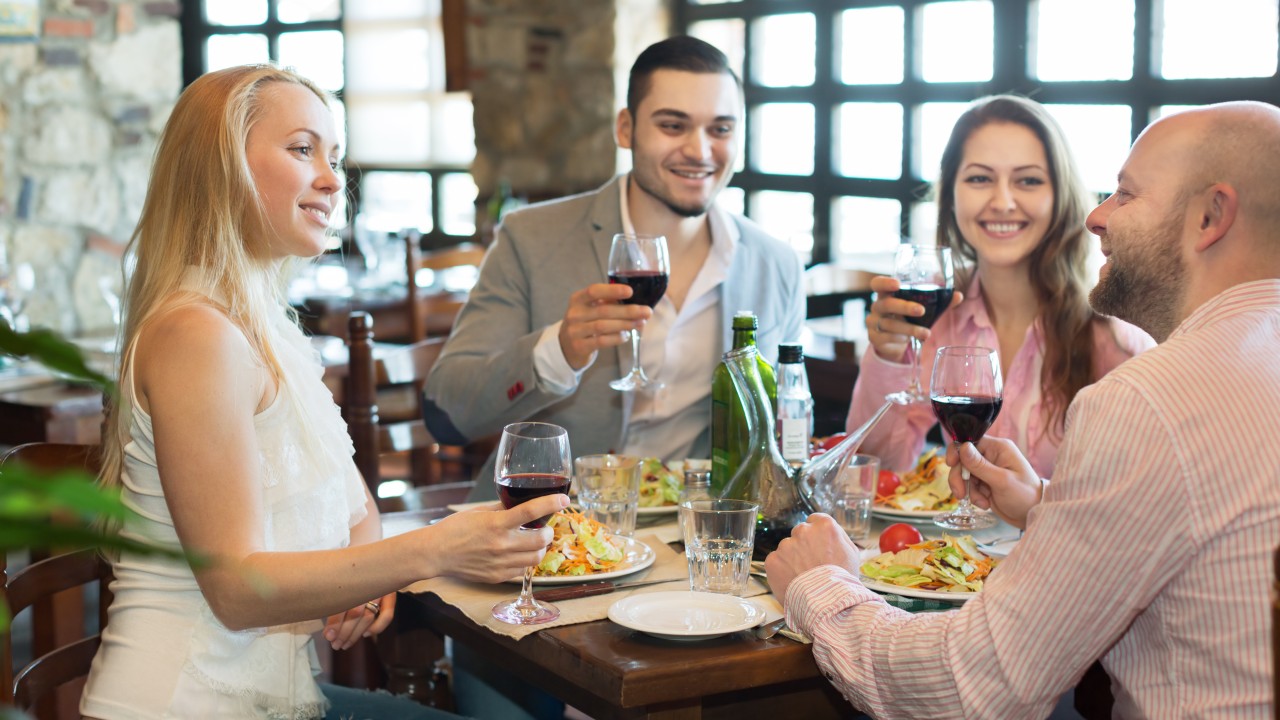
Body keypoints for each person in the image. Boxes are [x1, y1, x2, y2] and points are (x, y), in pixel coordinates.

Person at [79, 64, 568, 720]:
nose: (335, 181)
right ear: (220, 166)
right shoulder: (198, 333)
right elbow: (236, 591)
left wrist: (367, 573)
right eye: (302, 149)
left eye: (335, 158)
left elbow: (354, 502)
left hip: (277, 701)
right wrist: (432, 548)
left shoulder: (267, 328)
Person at [766, 101, 1280, 718]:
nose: (1098, 215)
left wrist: (819, 585)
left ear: (1210, 216)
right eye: (979, 177)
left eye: (1124, 194)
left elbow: (974, 687)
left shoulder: (1143, 394)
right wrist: (1044, 507)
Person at [424, 35, 805, 500]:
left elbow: (787, 428)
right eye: (673, 125)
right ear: (625, 129)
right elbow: (447, 413)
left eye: (720, 130)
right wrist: (557, 350)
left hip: (701, 537)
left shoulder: (778, 265)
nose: (700, 151)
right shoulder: (530, 237)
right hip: (549, 534)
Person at [846, 95, 1153, 477]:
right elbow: (875, 472)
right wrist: (887, 357)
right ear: (951, 195)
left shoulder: (1117, 338)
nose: (1003, 201)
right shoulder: (934, 323)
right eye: (979, 178)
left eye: (1028, 180)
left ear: (1060, 196)